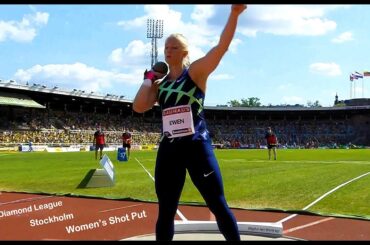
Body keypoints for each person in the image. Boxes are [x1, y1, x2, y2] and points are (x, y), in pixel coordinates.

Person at [133, 4, 247, 241]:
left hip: (197, 148)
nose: (168, 51)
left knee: (217, 205)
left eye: (174, 47)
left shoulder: (195, 73)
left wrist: (234, 14)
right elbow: (139, 107)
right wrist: (148, 80)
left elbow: (221, 48)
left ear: (185, 52)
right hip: (169, 151)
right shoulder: (160, 84)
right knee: (165, 210)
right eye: (166, 47)